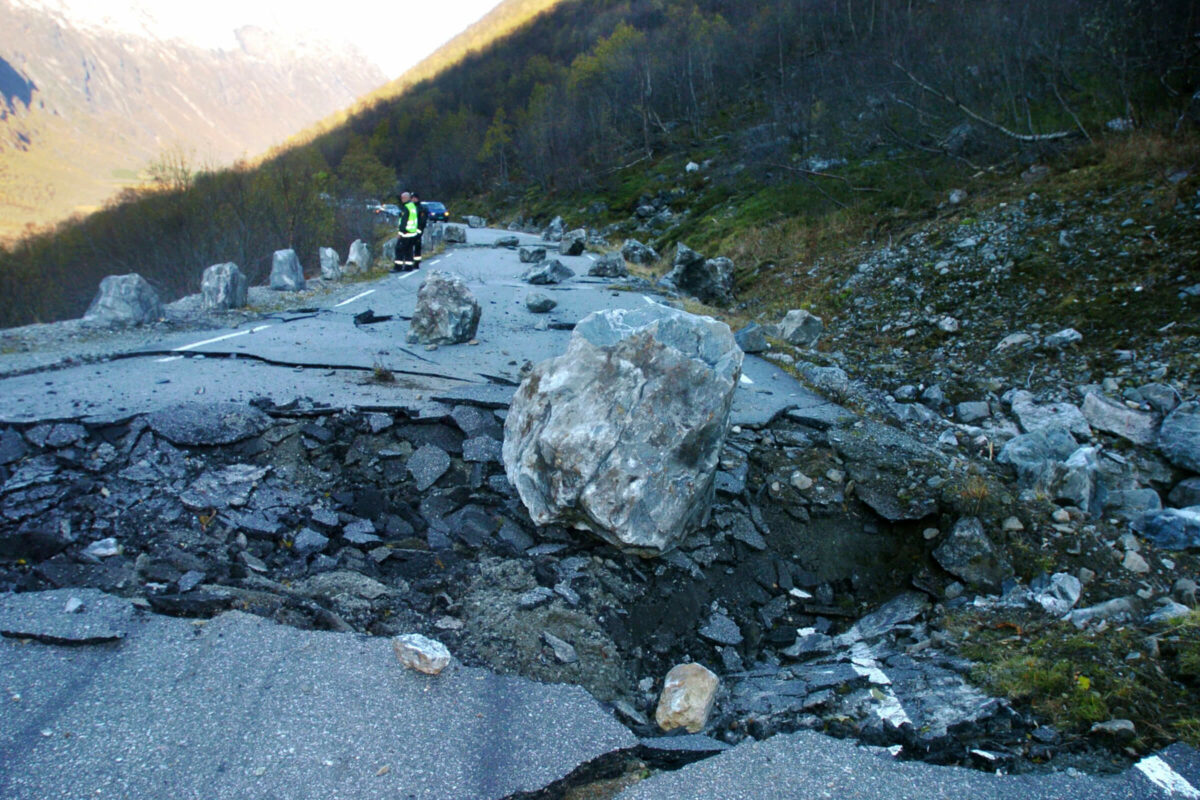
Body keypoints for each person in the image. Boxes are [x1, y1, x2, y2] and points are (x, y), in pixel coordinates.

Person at [394, 191, 421, 271]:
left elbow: (404, 221)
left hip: (406, 233)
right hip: (412, 233)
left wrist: (400, 233)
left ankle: (398, 267)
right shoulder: (413, 206)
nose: (401, 199)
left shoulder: (406, 207)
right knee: (409, 251)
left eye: (402, 198)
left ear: (405, 198)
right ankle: (409, 266)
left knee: (399, 249)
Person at [411, 191, 429, 269]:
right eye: (412, 198)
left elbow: (423, 220)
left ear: (417, 199)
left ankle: (417, 262)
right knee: (409, 246)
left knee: (417, 246)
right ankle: (410, 261)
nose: (413, 200)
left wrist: (419, 230)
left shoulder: (421, 208)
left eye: (414, 198)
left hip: (418, 230)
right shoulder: (410, 207)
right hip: (410, 230)